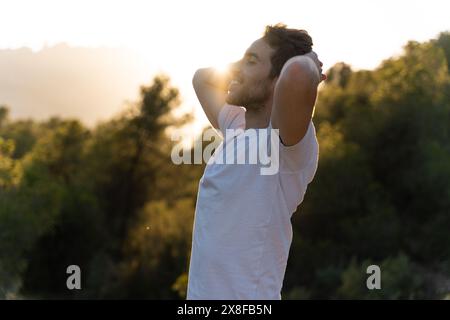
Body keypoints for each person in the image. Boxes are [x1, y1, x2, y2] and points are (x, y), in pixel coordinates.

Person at [187, 23, 326, 300]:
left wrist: (308, 60)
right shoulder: (237, 127)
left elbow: (298, 74)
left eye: (252, 61)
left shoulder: (285, 145)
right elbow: (201, 78)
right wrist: (242, 68)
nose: (237, 69)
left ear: (277, 79)